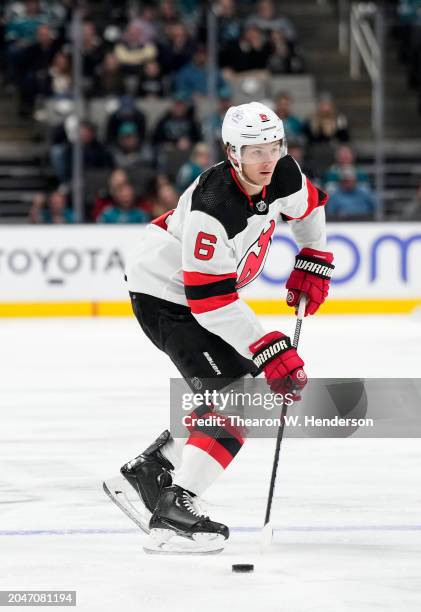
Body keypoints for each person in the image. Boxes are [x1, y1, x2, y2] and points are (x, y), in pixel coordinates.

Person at [106, 101, 334, 554]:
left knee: (235, 397)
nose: (267, 159)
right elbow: (209, 302)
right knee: (241, 402)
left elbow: (307, 208)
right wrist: (270, 347)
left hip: (198, 299)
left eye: (274, 146)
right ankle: (173, 511)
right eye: (254, 151)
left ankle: (152, 469)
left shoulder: (282, 171)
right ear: (232, 152)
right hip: (166, 298)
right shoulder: (214, 205)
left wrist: (314, 255)